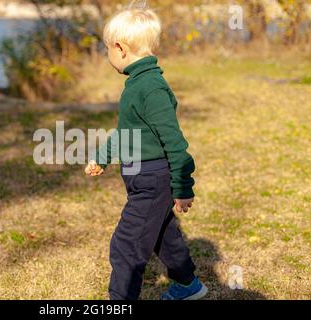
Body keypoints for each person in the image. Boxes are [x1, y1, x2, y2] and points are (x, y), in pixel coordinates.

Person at [85, 5, 207, 300]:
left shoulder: (150, 88)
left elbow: (175, 142)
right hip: (145, 179)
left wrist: (183, 186)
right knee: (163, 234)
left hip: (152, 181)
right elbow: (128, 132)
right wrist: (103, 156)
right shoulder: (137, 84)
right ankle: (188, 285)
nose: (108, 56)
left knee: (126, 246)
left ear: (121, 49)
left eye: (107, 50)